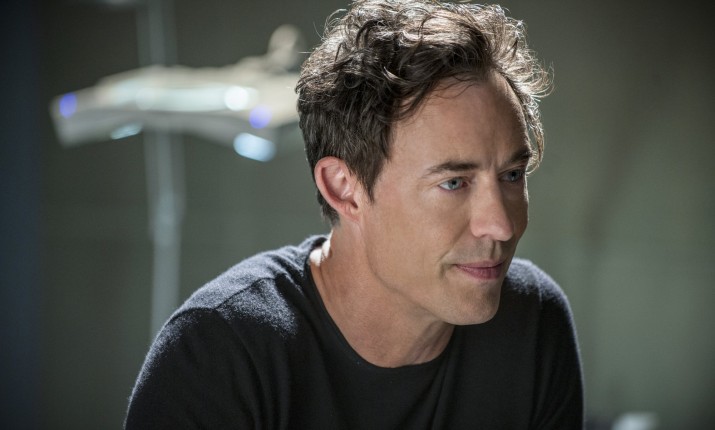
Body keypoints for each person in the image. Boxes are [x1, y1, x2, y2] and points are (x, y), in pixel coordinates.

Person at [125, 0, 584, 428]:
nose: (500, 225)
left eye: (512, 175)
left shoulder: (532, 323)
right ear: (344, 189)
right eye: (453, 183)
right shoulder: (220, 353)